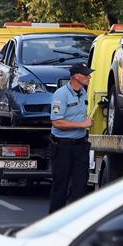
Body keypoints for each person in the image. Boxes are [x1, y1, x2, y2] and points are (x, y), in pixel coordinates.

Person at [48, 62, 94, 213]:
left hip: (80, 146)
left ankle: (75, 221)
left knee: (80, 187)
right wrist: (82, 124)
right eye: (86, 74)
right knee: (60, 186)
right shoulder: (61, 95)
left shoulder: (83, 92)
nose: (89, 77)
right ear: (76, 77)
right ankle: (54, 220)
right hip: (62, 147)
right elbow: (57, 122)